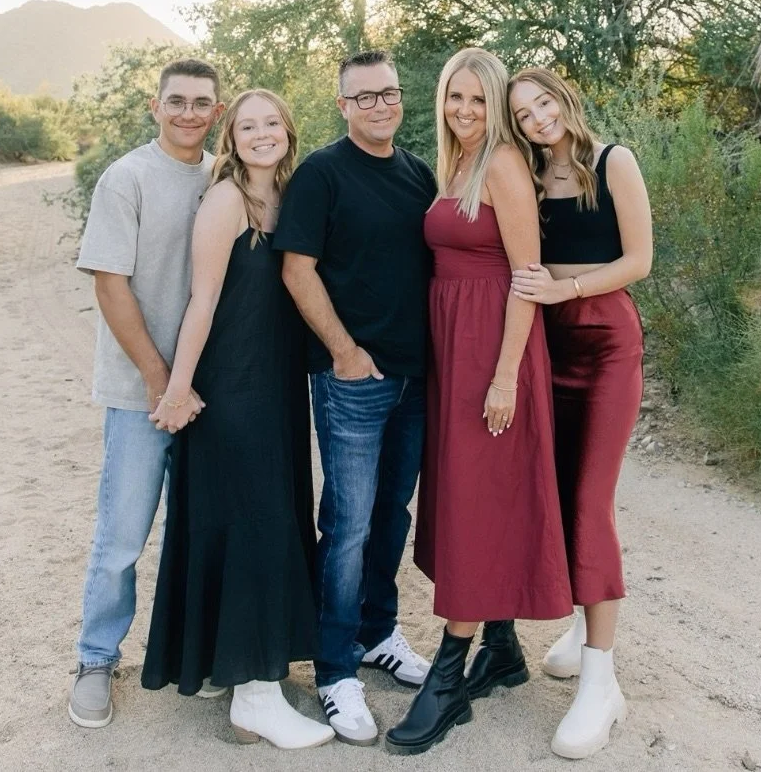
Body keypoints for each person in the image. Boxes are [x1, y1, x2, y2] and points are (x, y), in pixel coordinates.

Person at [387, 49, 572, 757]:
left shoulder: (501, 164)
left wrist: (505, 378)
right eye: (453, 97)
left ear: (494, 104)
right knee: (473, 495)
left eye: (475, 100)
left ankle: (447, 678)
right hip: (452, 348)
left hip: (496, 349)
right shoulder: (454, 163)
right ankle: (501, 648)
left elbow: (526, 277)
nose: (463, 110)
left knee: (477, 501)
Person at [140, 89, 334, 750]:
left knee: (268, 514)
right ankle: (255, 694)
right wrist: (179, 386)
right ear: (231, 137)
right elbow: (204, 299)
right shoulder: (227, 199)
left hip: (277, 386)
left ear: (289, 130)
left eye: (271, 123)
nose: (260, 134)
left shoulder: (289, 193)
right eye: (246, 125)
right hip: (232, 388)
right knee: (256, 523)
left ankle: (238, 664)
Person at [275, 50, 436, 747]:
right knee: (346, 526)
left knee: (391, 513)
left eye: (388, 93)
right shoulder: (321, 173)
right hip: (350, 381)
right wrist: (343, 351)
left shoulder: (417, 172)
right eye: (363, 97)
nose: (378, 105)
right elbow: (296, 268)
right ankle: (335, 668)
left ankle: (378, 634)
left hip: (414, 377)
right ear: (342, 105)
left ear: (401, 100)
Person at [69, 58, 224, 729]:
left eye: (201, 103)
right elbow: (110, 285)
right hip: (144, 394)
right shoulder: (126, 178)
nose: (189, 113)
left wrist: (192, 385)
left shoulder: (224, 175)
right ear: (155, 107)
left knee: (205, 532)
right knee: (124, 534)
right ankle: (97, 659)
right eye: (177, 101)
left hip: (208, 394)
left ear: (217, 111)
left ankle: (207, 655)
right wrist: (165, 384)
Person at [508, 67, 652, 761]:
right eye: (524, 112)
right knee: (558, 496)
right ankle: (576, 626)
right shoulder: (528, 181)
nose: (538, 118)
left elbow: (641, 260)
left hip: (604, 343)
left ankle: (602, 683)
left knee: (591, 502)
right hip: (545, 344)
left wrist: (567, 289)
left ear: (565, 98)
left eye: (544, 102)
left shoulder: (611, 160)